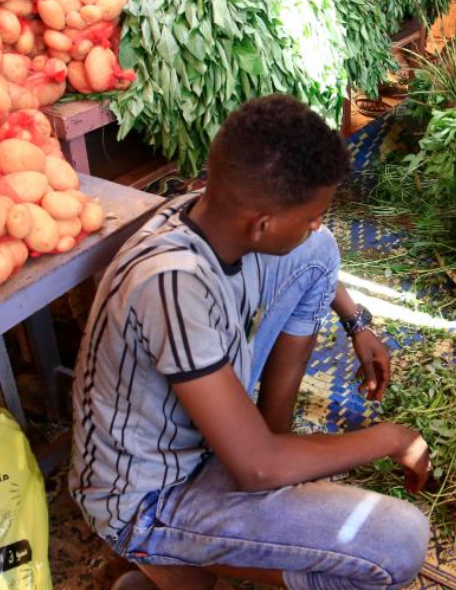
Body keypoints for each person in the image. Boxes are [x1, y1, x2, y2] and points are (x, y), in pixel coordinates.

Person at [71, 95, 431, 590]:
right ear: (262, 225)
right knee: (397, 542)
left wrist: (356, 321)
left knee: (319, 254)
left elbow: (316, 257)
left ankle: (257, 463)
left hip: (207, 442)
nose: (317, 224)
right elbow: (258, 469)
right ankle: (165, 554)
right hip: (149, 494)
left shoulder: (210, 217)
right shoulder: (171, 283)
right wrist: (392, 438)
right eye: (311, 215)